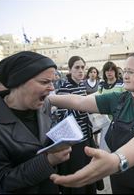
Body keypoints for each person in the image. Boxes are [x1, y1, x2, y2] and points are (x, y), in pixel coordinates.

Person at [48, 51, 134, 193]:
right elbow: (80, 101)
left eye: (131, 72)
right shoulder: (119, 99)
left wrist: (117, 160)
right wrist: (47, 99)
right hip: (121, 180)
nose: (125, 76)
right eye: (125, 71)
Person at [0, 51, 72, 194]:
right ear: (19, 82)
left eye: (52, 82)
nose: (52, 88)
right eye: (45, 82)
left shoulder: (43, 105)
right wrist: (48, 161)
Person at [53, 56, 97, 194]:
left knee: (89, 174)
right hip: (74, 141)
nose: (81, 71)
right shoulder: (64, 89)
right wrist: (83, 107)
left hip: (86, 137)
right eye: (77, 67)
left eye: (83, 67)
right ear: (70, 69)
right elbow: (62, 117)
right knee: (78, 177)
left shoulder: (81, 86)